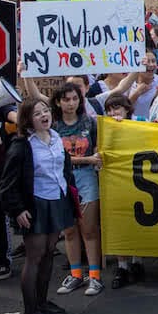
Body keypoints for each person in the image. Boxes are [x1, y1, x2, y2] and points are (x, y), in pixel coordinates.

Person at [0, 96, 78, 314]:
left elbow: (64, 169)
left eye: (45, 111)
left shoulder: (55, 137)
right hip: (35, 204)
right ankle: (31, 311)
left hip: (56, 200)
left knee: (49, 253)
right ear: (27, 120)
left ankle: (42, 303)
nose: (44, 115)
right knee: (34, 256)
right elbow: (8, 183)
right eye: (37, 113)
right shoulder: (22, 145)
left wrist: (70, 195)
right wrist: (18, 210)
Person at [51, 82, 104, 298]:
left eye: (75, 99)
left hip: (87, 179)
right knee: (70, 230)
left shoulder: (90, 122)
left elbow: (99, 148)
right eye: (66, 99)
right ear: (58, 102)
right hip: (63, 180)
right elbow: (57, 158)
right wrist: (88, 159)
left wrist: (95, 157)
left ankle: (95, 275)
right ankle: (75, 274)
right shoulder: (53, 127)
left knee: (89, 229)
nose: (71, 103)